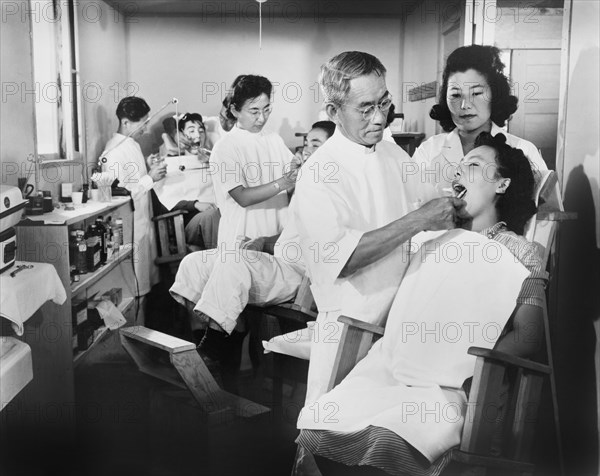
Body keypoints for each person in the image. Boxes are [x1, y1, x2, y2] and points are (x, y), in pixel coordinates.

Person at [296, 132, 547, 476]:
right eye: (458, 168)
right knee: (322, 424)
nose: (459, 173)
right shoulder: (431, 239)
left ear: (502, 184)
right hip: (394, 371)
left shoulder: (519, 252)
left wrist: (471, 372)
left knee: (393, 436)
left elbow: (529, 334)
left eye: (473, 166)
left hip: (456, 384)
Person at [291, 51, 469, 407]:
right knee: (329, 438)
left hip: (401, 327)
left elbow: (435, 205)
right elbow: (345, 258)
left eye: (384, 102)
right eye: (365, 108)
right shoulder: (319, 172)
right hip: (349, 329)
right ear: (333, 112)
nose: (379, 118)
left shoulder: (394, 155)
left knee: (388, 444)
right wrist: (419, 221)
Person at [169, 121, 335, 370]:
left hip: (299, 275)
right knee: (195, 262)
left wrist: (267, 245)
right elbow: (294, 232)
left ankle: (213, 349)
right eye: (306, 142)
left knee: (233, 261)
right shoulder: (307, 183)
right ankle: (210, 342)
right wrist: (263, 242)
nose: (307, 149)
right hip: (279, 261)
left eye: (316, 143)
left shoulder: (332, 188)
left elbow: (319, 243)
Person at [413, 44, 548, 203]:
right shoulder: (429, 151)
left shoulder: (523, 150)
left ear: (495, 95)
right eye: (456, 95)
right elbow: (411, 207)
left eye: (476, 93)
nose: (465, 105)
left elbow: (539, 216)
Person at [210, 74, 299, 251]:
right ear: (235, 111)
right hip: (243, 238)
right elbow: (242, 197)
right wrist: (284, 182)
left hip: (277, 237)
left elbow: (292, 179)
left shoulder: (274, 139)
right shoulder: (225, 148)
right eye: (254, 111)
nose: (262, 118)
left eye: (266, 109)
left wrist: (298, 169)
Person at [101, 96, 167, 296]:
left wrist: (149, 166)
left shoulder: (132, 145)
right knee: (136, 289)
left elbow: (134, 179)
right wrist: (150, 178)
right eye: (143, 123)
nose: (146, 129)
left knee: (147, 283)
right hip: (131, 228)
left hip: (143, 223)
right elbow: (121, 195)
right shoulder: (112, 153)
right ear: (126, 122)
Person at [153, 112, 219, 249]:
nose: (197, 135)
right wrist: (195, 204)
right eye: (191, 130)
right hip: (189, 223)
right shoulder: (170, 164)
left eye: (201, 131)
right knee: (211, 216)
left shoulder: (214, 161)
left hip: (219, 215)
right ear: (181, 135)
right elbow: (166, 202)